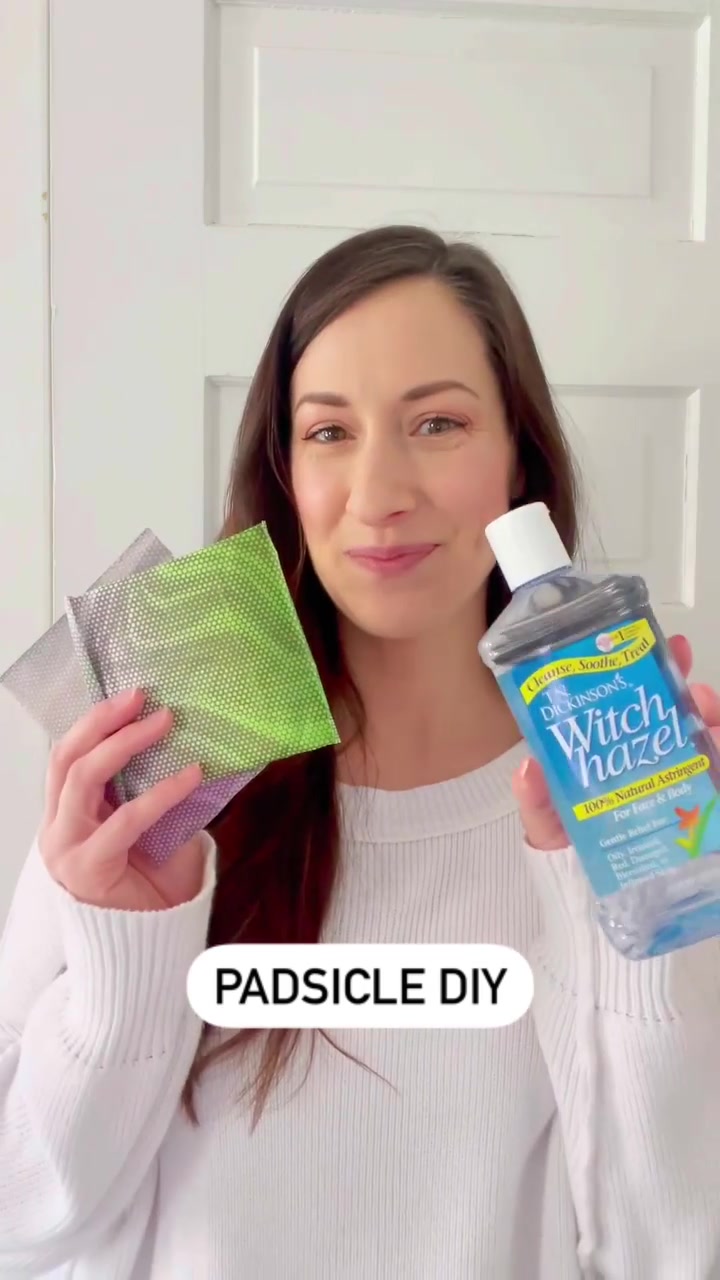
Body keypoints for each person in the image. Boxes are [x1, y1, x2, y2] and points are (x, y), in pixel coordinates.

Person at [1, 225, 719, 1280]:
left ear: (518, 458)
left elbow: (671, 1250)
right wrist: (123, 965)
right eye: (330, 432)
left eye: (437, 422)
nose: (380, 491)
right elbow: (21, 1222)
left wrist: (636, 917)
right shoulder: (160, 782)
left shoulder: (626, 800)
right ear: (285, 472)